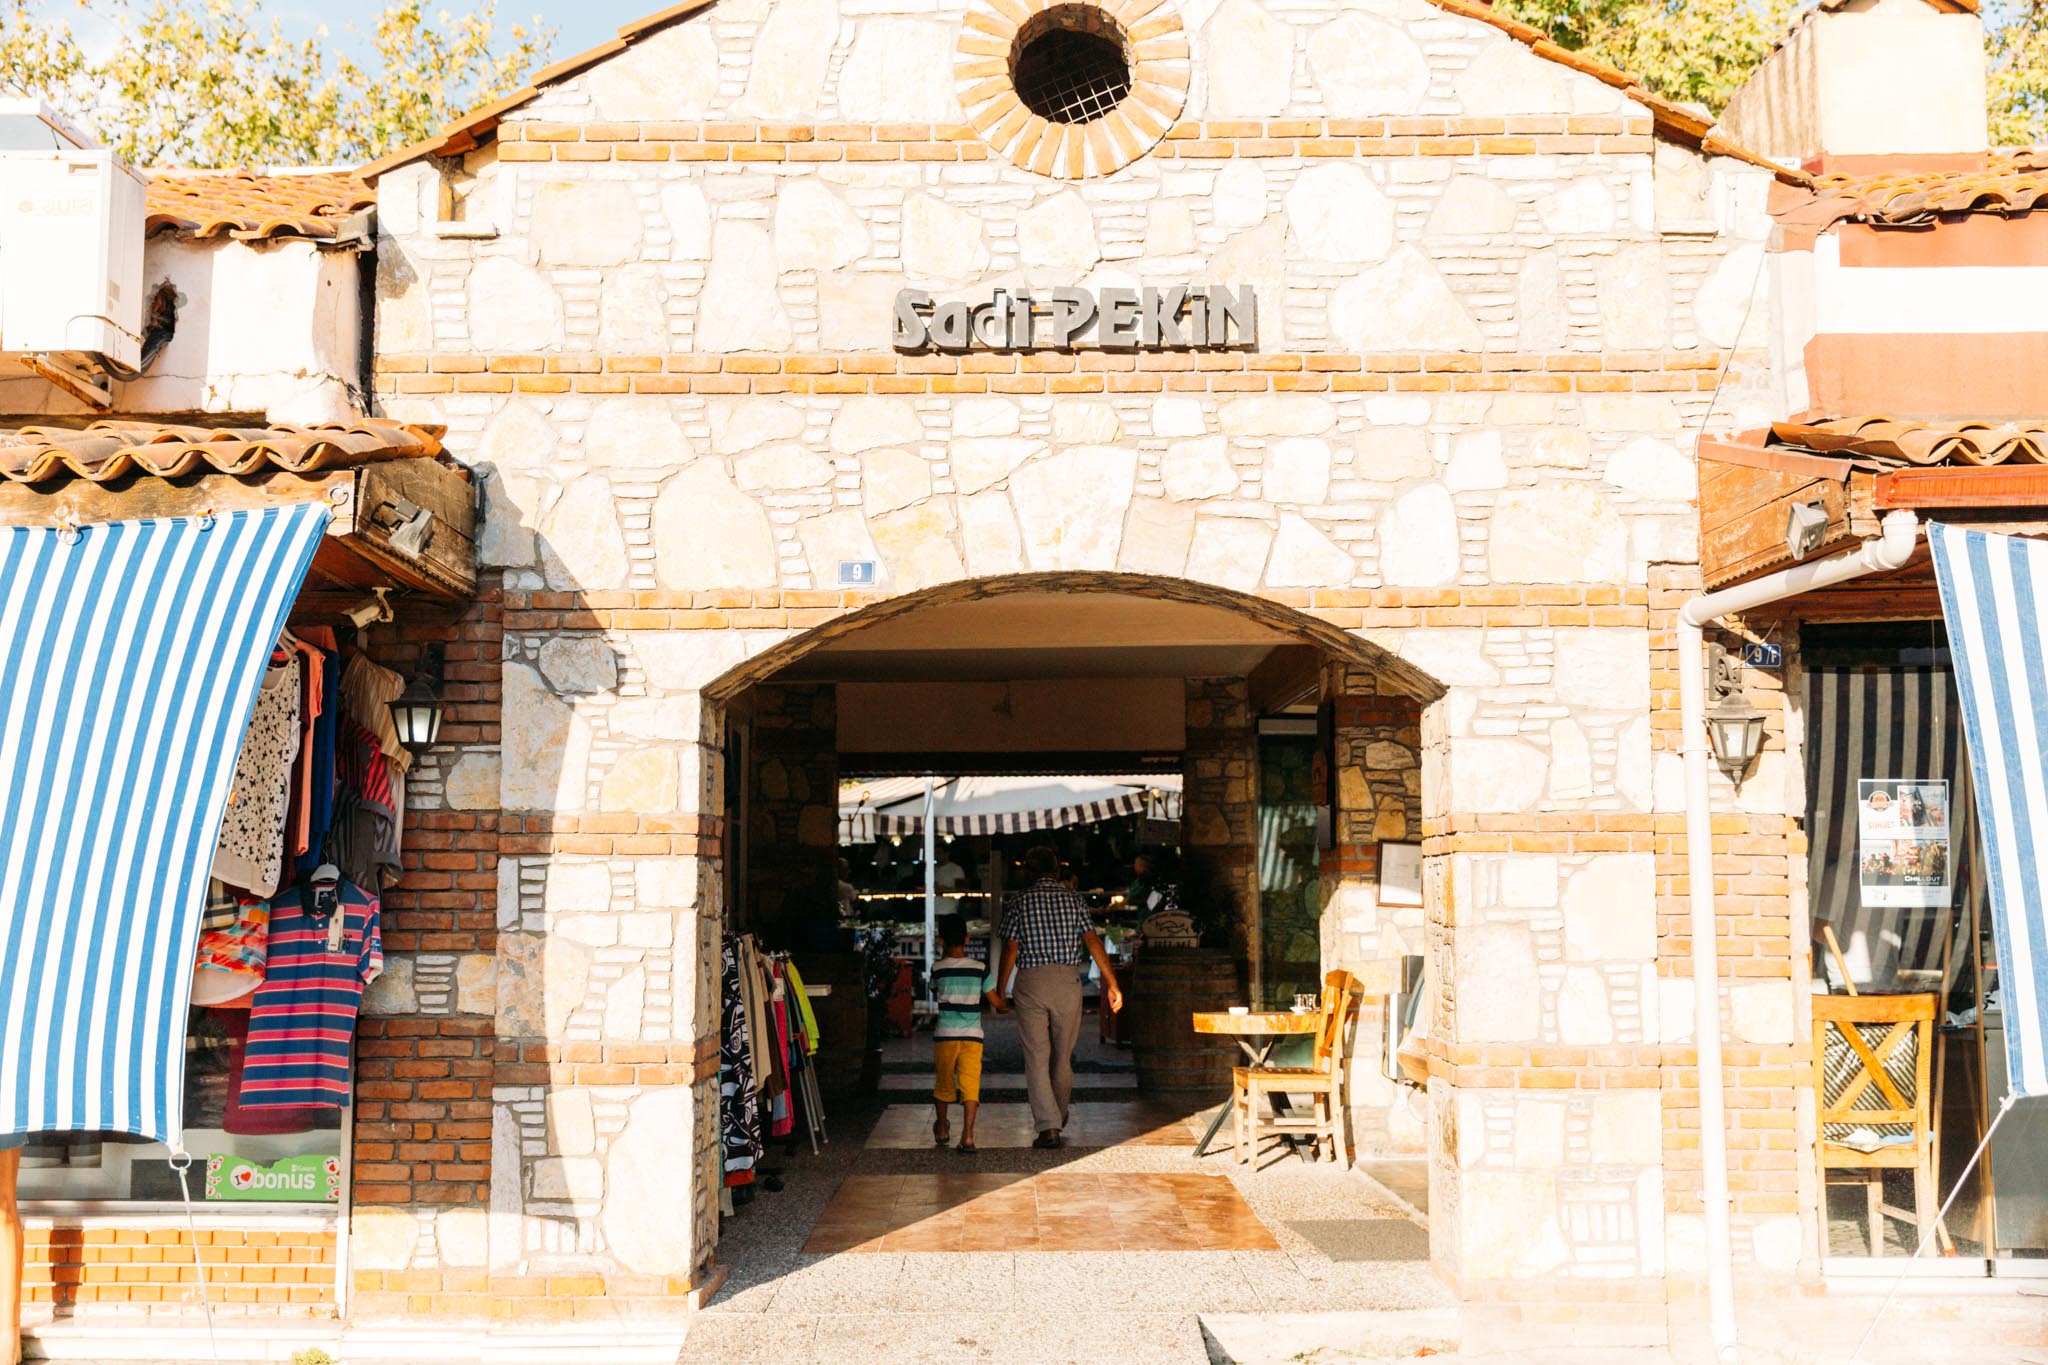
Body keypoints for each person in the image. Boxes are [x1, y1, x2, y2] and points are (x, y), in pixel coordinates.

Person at [993, 844, 1124, 1149]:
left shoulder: (1019, 901)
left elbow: (1011, 948)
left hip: (1032, 983)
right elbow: (1092, 941)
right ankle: (1057, 1114)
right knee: (1062, 1057)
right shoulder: (1073, 900)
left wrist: (1001, 989)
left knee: (1036, 1057)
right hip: (1067, 980)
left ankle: (1048, 1126)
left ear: (1028, 871)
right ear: (1055, 871)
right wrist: (1113, 983)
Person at [930, 914, 1004, 1153]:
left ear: (941, 940)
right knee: (970, 1084)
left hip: (945, 1036)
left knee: (943, 1082)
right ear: (968, 938)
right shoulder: (980, 969)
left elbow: (935, 993)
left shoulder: (937, 969)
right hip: (972, 1036)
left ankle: (942, 1129)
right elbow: (996, 1001)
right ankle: (968, 1136)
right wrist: (1005, 1005)